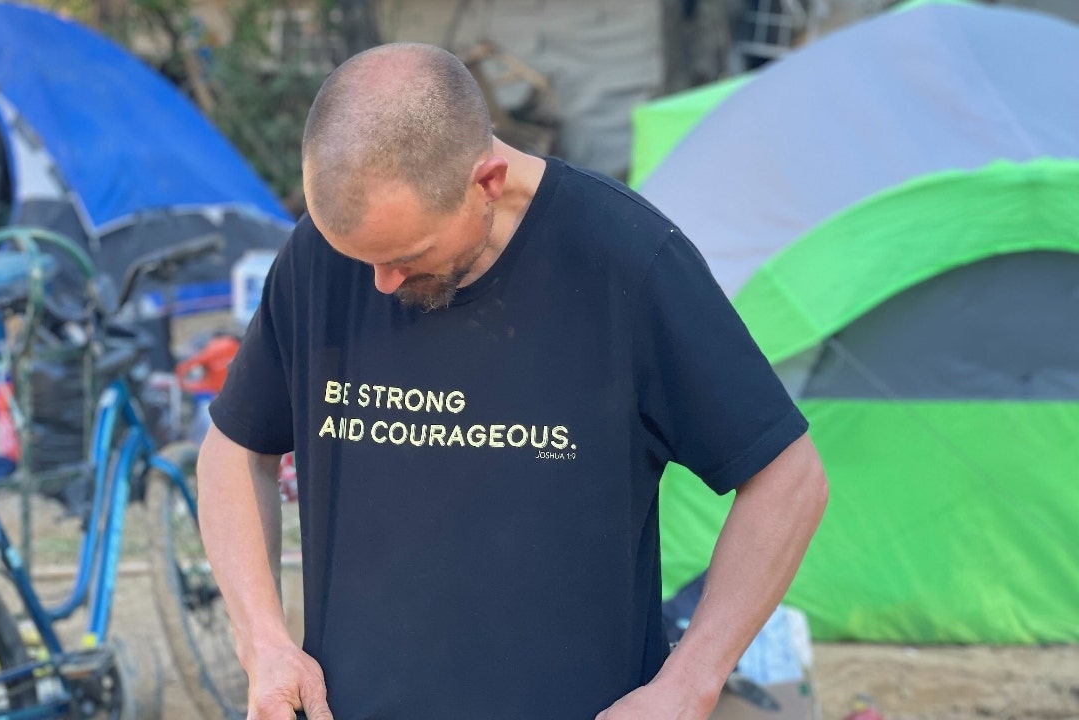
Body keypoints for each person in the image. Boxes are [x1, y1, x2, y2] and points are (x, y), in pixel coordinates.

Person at [198, 42, 829, 720]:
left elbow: (787, 478)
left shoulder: (627, 261)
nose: (377, 283)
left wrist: (690, 683)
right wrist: (262, 641)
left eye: (406, 257)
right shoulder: (325, 258)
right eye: (360, 258)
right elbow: (234, 451)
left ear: (487, 182)